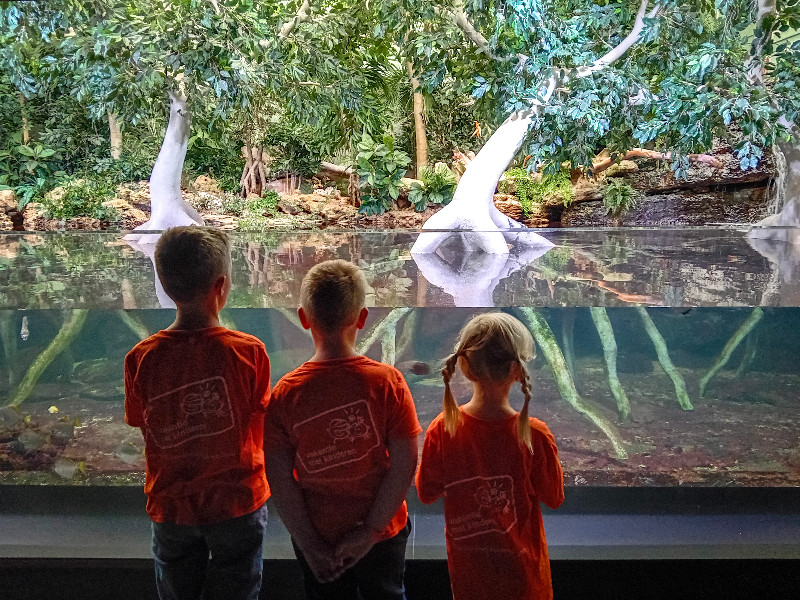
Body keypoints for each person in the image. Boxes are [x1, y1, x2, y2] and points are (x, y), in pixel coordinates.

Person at [124, 226, 271, 600]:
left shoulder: (141, 358)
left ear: (163, 281)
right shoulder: (248, 352)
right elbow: (261, 422)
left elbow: (143, 422)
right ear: (221, 287)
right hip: (236, 502)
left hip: (170, 504)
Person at [265, 259, 421, 600]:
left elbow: (278, 476)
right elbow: (405, 461)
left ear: (304, 319)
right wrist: (370, 531)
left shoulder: (286, 394)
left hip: (318, 535)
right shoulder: (387, 382)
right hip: (382, 532)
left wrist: (309, 543)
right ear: (363, 319)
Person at [416, 312, 565, 600]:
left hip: (470, 582)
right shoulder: (535, 434)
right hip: (526, 584)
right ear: (517, 370)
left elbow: (426, 493)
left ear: (464, 365)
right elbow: (554, 497)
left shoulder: (442, 429)